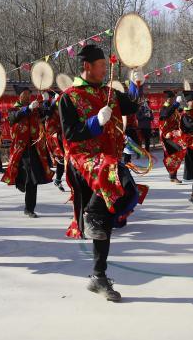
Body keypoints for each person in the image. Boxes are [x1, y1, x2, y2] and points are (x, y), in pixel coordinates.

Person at [59, 44, 148, 302]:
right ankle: (91, 213)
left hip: (107, 162)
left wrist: (136, 84)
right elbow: (71, 134)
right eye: (101, 66)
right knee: (109, 184)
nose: (104, 70)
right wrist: (94, 122)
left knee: (122, 195)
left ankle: (99, 276)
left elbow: (132, 106)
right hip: (84, 159)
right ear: (88, 66)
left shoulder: (110, 93)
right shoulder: (69, 97)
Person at [2, 87, 54, 218]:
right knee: (24, 175)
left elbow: (47, 114)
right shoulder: (13, 109)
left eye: (28, 94)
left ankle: (29, 208)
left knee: (32, 179)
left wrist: (48, 102)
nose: (26, 96)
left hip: (34, 147)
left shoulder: (35, 108)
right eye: (24, 94)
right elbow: (14, 118)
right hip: (20, 148)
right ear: (19, 96)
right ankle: (20, 183)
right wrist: (27, 109)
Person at [158, 90, 186, 183]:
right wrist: (176, 105)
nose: (174, 99)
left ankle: (173, 176)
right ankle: (173, 176)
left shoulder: (174, 108)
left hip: (174, 135)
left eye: (174, 98)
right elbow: (166, 114)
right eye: (172, 98)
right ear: (168, 99)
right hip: (166, 136)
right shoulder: (164, 108)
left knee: (174, 155)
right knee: (175, 152)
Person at [42, 90, 66, 191]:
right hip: (54, 136)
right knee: (61, 158)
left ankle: (58, 179)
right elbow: (46, 114)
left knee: (64, 159)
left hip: (64, 134)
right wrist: (46, 101)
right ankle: (59, 179)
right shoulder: (49, 108)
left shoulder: (63, 106)